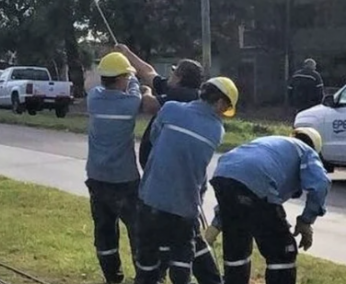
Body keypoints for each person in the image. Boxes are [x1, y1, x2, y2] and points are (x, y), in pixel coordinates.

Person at [116, 45, 221, 284]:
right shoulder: (180, 92)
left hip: (169, 181)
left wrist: (144, 92)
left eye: (173, 72)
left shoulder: (178, 99)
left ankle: (198, 278)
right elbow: (149, 72)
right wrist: (126, 53)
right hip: (178, 183)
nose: (169, 76)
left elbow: (150, 106)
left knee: (182, 237)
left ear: (180, 77)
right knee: (185, 235)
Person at [134, 77, 238, 284]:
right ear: (219, 102)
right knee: (182, 258)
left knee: (147, 257)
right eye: (225, 108)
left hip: (151, 197)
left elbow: (154, 139)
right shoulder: (216, 130)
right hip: (184, 205)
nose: (223, 114)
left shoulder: (170, 109)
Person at [205, 128, 330, 284]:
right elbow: (320, 184)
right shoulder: (307, 151)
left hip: (223, 173)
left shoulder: (274, 144)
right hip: (257, 182)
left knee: (237, 247)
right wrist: (306, 221)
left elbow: (240, 184)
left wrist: (217, 224)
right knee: (283, 251)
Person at [85, 52, 154, 283]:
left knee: (104, 232)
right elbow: (136, 88)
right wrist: (137, 79)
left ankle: (112, 278)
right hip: (125, 180)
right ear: (121, 78)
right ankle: (144, 277)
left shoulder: (93, 99)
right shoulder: (130, 103)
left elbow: (101, 85)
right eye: (126, 76)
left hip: (96, 178)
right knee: (138, 232)